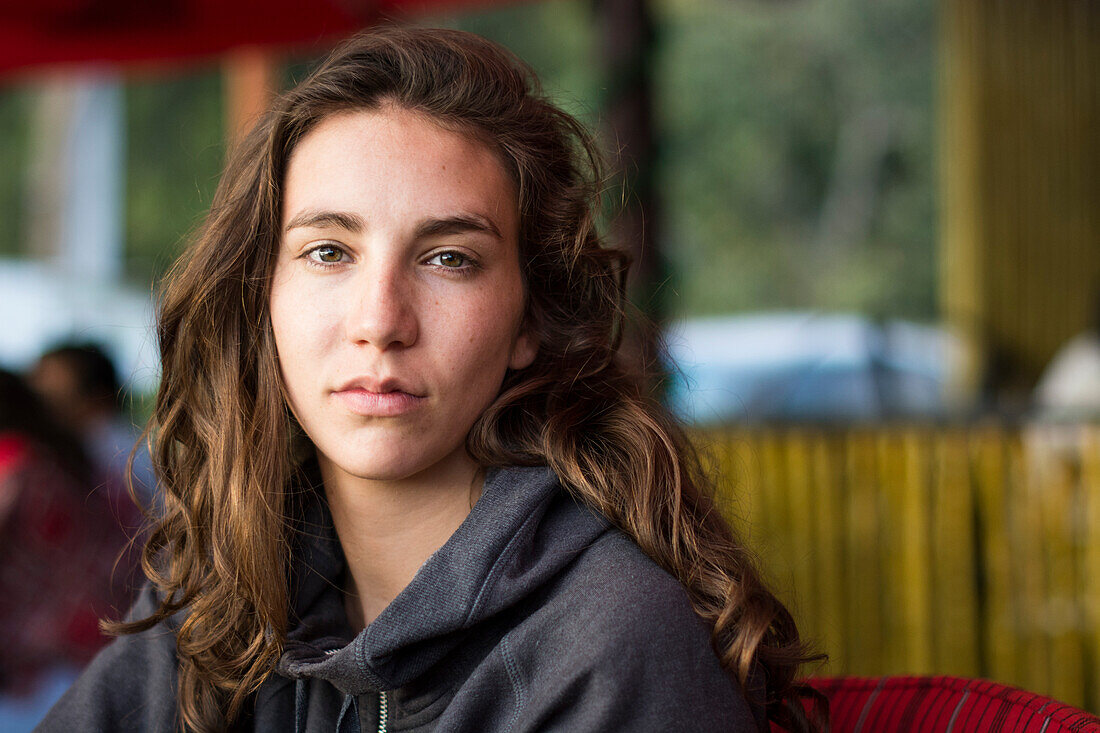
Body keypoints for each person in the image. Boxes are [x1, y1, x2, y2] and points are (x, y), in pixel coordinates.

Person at [39, 26, 824, 733]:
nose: (380, 320)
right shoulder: (221, 589)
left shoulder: (610, 637)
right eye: (328, 252)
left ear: (528, 321)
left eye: (449, 258)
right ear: (261, 297)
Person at [29, 343, 156, 507]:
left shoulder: (111, 455)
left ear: (98, 395)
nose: (38, 400)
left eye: (51, 391)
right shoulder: (131, 447)